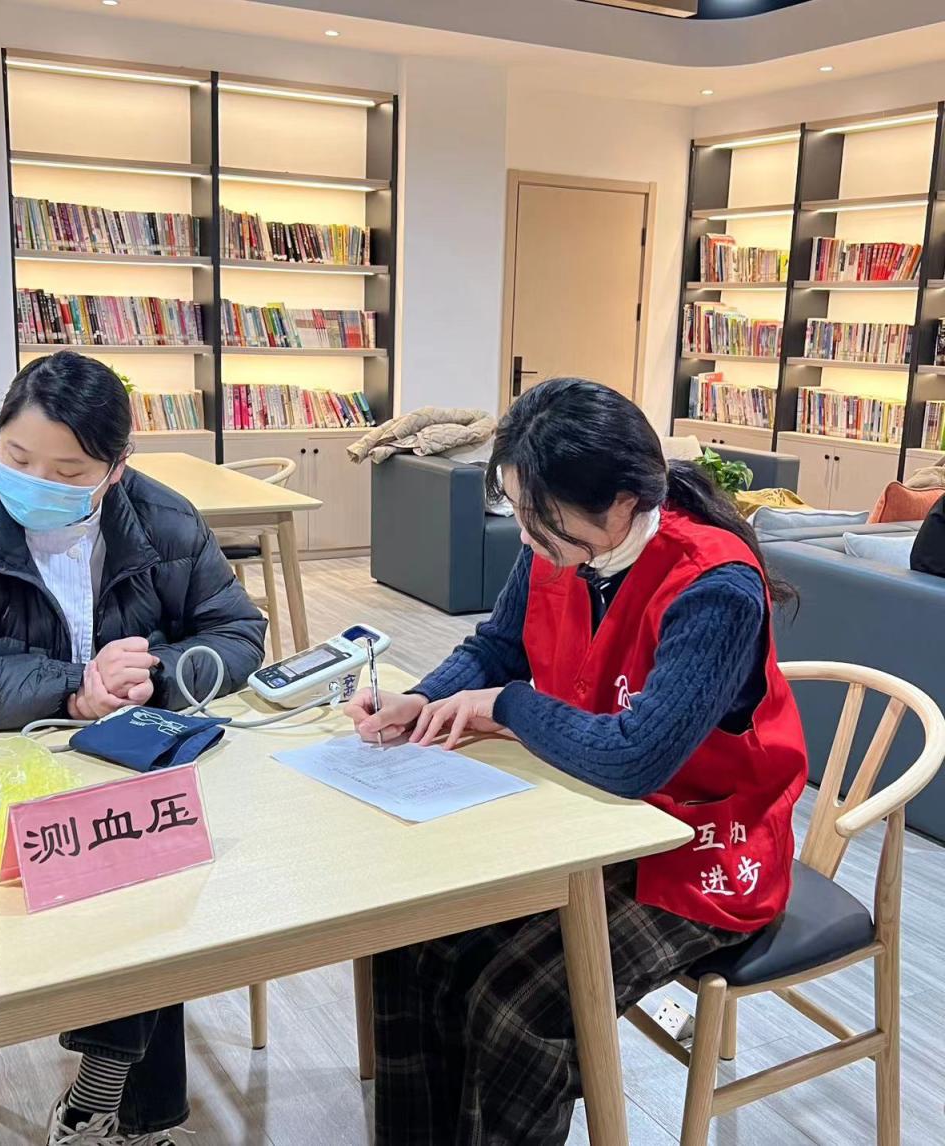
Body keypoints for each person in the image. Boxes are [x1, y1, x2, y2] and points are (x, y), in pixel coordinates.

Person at [345, 378, 808, 1146]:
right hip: (582, 814)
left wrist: (508, 706)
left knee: (520, 1007)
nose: (527, 538)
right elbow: (498, 646)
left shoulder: (714, 586)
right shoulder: (563, 541)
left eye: (541, 519)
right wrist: (420, 699)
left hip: (698, 844)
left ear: (623, 503)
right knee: (414, 940)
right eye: (519, 512)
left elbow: (636, 762)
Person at [0, 351, 266, 1144]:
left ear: (117, 468)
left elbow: (238, 632)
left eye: (68, 470)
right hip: (0, 773)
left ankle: (107, 1105)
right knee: (131, 855)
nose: (35, 480)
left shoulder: (163, 517)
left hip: (127, 763)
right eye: (17, 457)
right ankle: (117, 1108)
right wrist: (74, 687)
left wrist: (158, 676)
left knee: (147, 848)